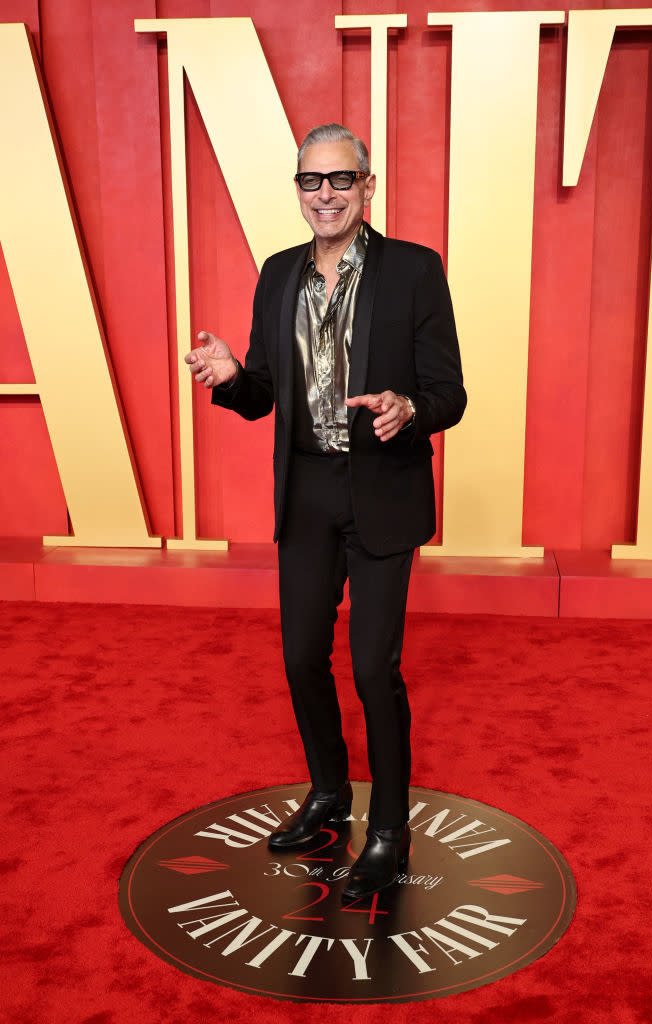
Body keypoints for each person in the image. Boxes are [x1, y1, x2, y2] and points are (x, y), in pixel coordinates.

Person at [185, 123, 466, 901]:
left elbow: (451, 393)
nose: (326, 195)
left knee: (375, 667)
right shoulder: (277, 275)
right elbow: (263, 393)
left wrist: (407, 407)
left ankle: (386, 832)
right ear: (299, 189)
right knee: (302, 656)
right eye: (311, 181)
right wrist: (231, 376)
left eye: (341, 180)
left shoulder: (413, 270)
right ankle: (329, 794)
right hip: (305, 490)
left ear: (367, 187)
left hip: (381, 488)